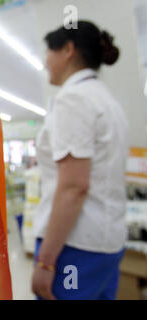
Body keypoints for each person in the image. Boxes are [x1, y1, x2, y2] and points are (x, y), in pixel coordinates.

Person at [31, 21, 129, 300]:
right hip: (108, 244)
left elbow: (74, 187)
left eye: (49, 51)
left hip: (74, 247)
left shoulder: (72, 99)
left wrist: (46, 262)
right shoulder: (110, 103)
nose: (45, 61)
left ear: (68, 50)